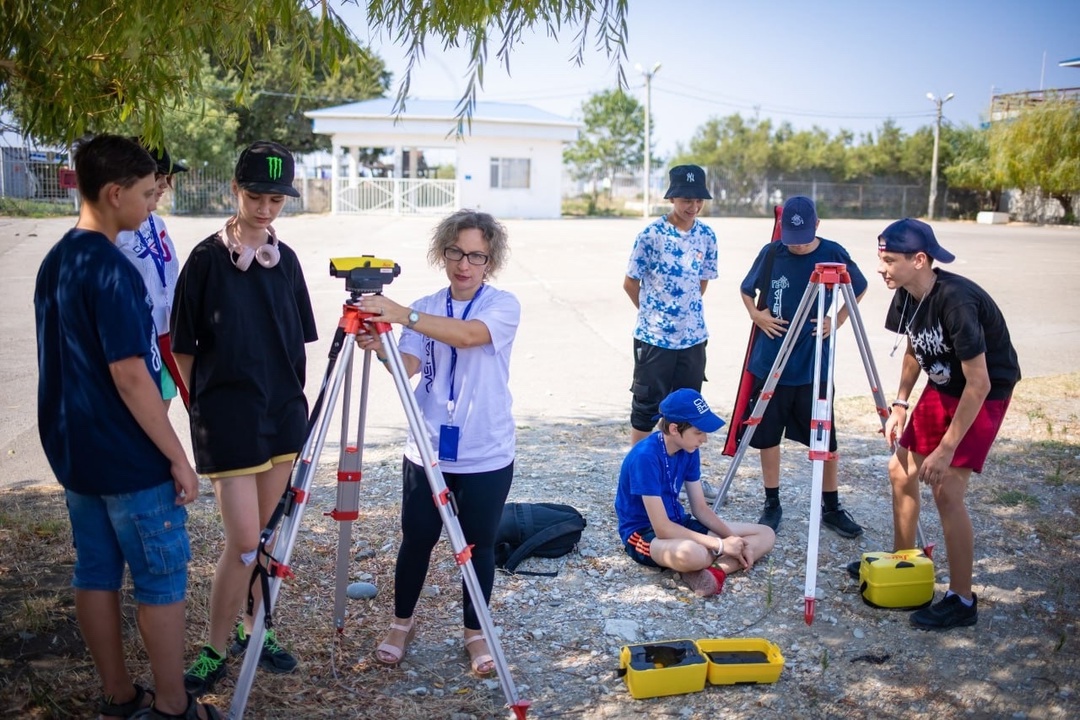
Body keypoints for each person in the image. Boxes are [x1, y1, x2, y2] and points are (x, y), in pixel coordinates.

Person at [33, 135, 219, 720]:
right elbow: (131, 375)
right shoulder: (112, 268)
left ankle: (117, 695)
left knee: (95, 571)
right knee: (161, 581)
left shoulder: (57, 258)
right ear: (114, 194)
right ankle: (171, 706)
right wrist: (177, 457)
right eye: (143, 193)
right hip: (127, 458)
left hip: (76, 451)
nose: (150, 203)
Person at [170, 141, 317, 695]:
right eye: (256, 196)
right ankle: (214, 644)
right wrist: (198, 411)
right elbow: (182, 349)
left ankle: (258, 627)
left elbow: (298, 340)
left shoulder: (288, 261)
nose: (266, 208)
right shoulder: (207, 260)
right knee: (244, 542)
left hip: (281, 414)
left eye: (277, 199)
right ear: (235, 189)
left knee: (271, 537)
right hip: (227, 418)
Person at [353, 209, 520, 677]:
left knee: (478, 546)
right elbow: (405, 368)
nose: (463, 264)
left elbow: (469, 336)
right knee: (417, 540)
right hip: (425, 449)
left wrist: (402, 313)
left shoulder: (502, 305)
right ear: (442, 252)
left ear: (490, 261)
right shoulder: (428, 302)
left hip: (485, 450)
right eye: (455, 252)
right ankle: (400, 626)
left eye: (475, 256)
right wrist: (379, 343)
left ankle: (475, 632)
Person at [850, 218, 1020, 631]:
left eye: (889, 260)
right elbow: (914, 346)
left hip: (984, 391)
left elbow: (979, 383)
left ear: (919, 259)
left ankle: (962, 599)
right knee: (900, 468)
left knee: (947, 489)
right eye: (881, 259)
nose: (882, 268)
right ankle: (904, 562)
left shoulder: (956, 300)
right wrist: (901, 402)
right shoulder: (907, 292)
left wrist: (945, 449)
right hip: (943, 385)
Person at [738, 195, 867, 538]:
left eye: (804, 239)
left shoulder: (833, 253)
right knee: (767, 436)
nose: (796, 247)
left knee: (825, 436)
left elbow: (859, 287)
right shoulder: (771, 253)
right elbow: (746, 289)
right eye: (791, 239)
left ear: (817, 226)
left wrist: (834, 321)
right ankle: (772, 502)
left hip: (814, 364)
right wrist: (756, 314)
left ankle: (831, 506)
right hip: (772, 361)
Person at [615, 388, 775, 596]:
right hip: (645, 534)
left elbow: (700, 508)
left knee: (765, 533)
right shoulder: (645, 456)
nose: (704, 439)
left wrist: (733, 540)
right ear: (674, 429)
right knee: (693, 554)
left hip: (680, 523)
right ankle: (699, 565)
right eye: (698, 432)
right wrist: (721, 545)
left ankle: (716, 571)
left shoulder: (689, 449)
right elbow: (662, 528)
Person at [623, 164, 719, 498]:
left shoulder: (707, 236)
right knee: (646, 408)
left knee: (689, 411)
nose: (692, 206)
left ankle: (685, 480)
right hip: (654, 339)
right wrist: (655, 315)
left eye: (698, 200)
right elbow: (630, 282)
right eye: (685, 199)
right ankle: (637, 481)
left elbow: (702, 281)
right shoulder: (651, 235)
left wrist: (683, 315)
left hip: (693, 340)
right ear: (672, 196)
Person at [115, 140, 188, 408]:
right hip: (136, 341)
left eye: (165, 178)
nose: (164, 186)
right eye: (159, 177)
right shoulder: (116, 230)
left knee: (160, 415)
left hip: (168, 336)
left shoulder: (158, 223)